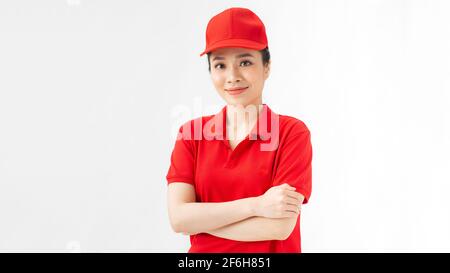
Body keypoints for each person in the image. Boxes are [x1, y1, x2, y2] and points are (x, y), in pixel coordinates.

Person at [166, 7, 312, 253]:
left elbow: (279, 228)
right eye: (220, 65)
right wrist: (257, 206)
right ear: (210, 71)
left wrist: (201, 221)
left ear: (266, 67)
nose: (232, 76)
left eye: (245, 62)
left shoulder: (291, 133)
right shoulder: (191, 134)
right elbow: (179, 219)